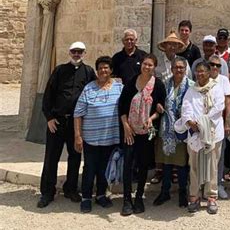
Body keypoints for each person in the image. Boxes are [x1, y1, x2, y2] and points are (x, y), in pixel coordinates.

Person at [37, 41, 95, 208]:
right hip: (57, 121)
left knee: (75, 156)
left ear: (84, 53)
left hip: (76, 124)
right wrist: (49, 118)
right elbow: (48, 95)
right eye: (74, 51)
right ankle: (47, 192)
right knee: (51, 157)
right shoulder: (59, 71)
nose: (77, 54)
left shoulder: (88, 72)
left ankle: (70, 189)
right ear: (70, 52)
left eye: (80, 51)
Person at [74, 55, 123, 213]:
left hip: (110, 138)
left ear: (111, 70)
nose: (103, 70)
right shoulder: (89, 88)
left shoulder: (119, 87)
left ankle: (101, 195)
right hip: (91, 139)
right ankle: (86, 197)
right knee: (90, 168)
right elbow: (78, 113)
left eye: (106, 67)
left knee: (105, 169)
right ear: (97, 71)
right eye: (101, 68)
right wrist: (77, 136)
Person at [119, 53, 166, 216]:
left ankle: (139, 197)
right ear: (141, 65)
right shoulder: (131, 82)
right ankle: (126, 199)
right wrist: (125, 126)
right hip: (130, 131)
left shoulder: (158, 85)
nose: (147, 67)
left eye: (150, 65)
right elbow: (122, 107)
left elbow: (161, 109)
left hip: (146, 131)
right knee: (127, 165)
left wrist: (152, 118)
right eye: (145, 64)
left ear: (154, 67)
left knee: (143, 164)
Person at [176, 61, 225, 214]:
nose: (200, 74)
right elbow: (186, 108)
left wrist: (202, 122)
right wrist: (191, 122)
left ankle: (211, 197)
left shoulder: (216, 88)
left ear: (209, 72)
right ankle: (194, 196)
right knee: (194, 166)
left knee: (212, 166)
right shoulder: (192, 90)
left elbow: (218, 107)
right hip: (195, 134)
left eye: (203, 71)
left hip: (212, 134)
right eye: (197, 71)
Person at [154, 56, 193, 208]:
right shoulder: (165, 84)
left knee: (182, 163)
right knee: (167, 163)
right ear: (171, 69)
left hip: (183, 130)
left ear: (185, 69)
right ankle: (165, 191)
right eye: (176, 67)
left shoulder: (191, 85)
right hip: (167, 129)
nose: (178, 70)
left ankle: (183, 191)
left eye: (181, 67)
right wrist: (158, 106)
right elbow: (158, 99)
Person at [208, 54, 230, 200]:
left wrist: (227, 120)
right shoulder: (203, 78)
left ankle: (219, 184)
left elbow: (228, 101)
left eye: (218, 65)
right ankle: (206, 185)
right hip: (204, 123)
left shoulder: (223, 80)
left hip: (219, 122)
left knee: (220, 154)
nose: (215, 67)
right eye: (212, 64)